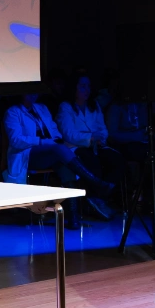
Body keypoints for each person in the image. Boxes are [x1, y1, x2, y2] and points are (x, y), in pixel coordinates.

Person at [3, 93, 114, 223]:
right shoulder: (13, 112)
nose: (33, 95)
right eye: (29, 91)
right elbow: (16, 140)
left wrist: (54, 139)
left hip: (49, 150)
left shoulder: (42, 108)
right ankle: (95, 182)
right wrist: (43, 142)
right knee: (59, 150)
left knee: (64, 162)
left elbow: (54, 130)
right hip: (27, 154)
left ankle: (73, 216)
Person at [59, 73, 126, 212]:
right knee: (92, 161)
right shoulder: (66, 107)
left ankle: (100, 198)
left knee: (117, 160)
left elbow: (102, 128)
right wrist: (90, 137)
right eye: (82, 86)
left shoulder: (94, 105)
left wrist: (100, 137)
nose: (87, 90)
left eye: (88, 86)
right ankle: (93, 200)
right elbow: (69, 133)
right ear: (74, 88)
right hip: (76, 146)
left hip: (97, 144)